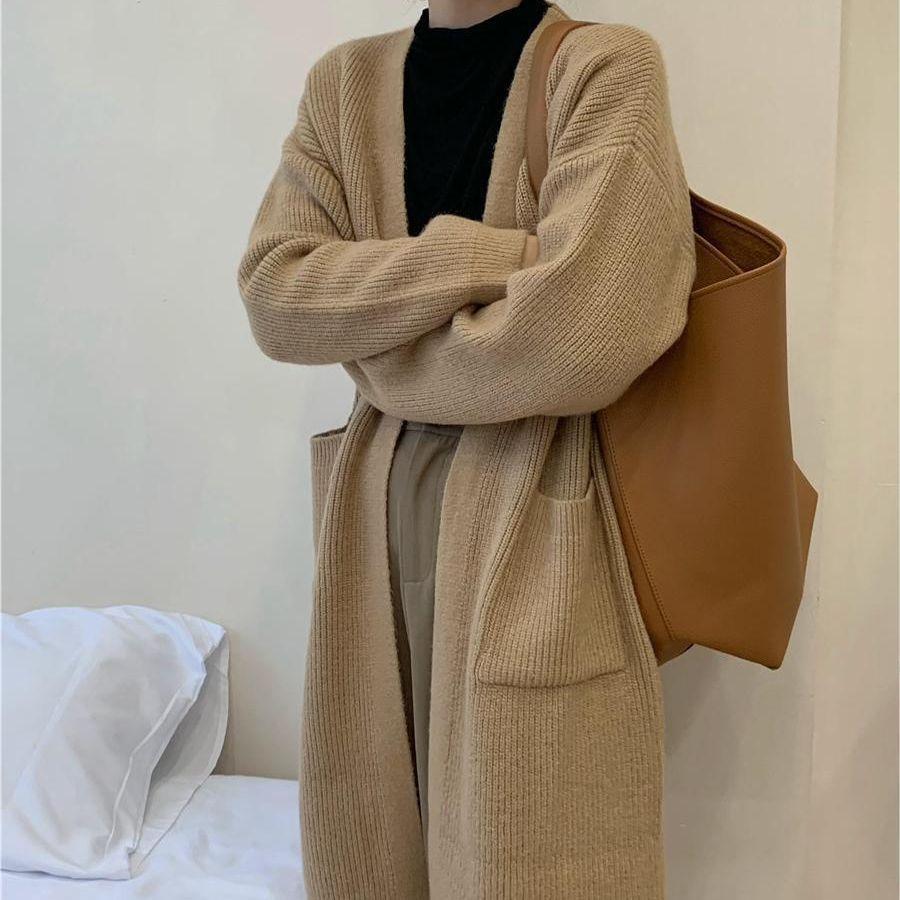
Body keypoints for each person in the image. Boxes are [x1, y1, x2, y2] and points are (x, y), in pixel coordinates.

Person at [237, 1, 697, 896]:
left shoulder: (606, 68)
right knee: (373, 839)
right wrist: (495, 258)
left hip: (544, 502)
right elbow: (276, 294)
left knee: (531, 848)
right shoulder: (342, 85)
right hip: (376, 506)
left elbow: (588, 334)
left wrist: (380, 353)